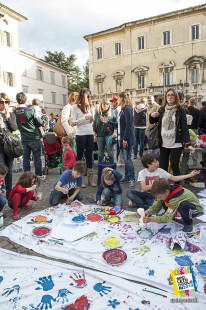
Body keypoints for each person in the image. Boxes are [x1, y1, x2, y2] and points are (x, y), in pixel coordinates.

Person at [127, 153, 200, 209]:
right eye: (155, 162)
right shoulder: (142, 172)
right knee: (129, 192)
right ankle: (144, 205)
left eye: (157, 161)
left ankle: (140, 204)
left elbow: (174, 178)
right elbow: (144, 188)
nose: (158, 163)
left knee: (158, 204)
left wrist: (189, 175)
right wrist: (159, 184)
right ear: (148, 164)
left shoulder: (160, 171)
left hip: (156, 196)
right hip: (145, 194)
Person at [150, 88, 194, 176]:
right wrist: (152, 115)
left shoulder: (180, 110)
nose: (170, 97)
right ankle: (164, 186)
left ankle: (177, 187)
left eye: (172, 95)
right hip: (163, 143)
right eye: (168, 95)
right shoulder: (162, 109)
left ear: (176, 97)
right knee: (163, 167)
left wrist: (189, 144)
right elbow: (153, 121)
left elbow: (185, 127)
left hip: (176, 143)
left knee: (174, 166)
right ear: (166, 97)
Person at [101, 92, 135, 187]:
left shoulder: (128, 109)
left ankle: (132, 178)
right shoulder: (123, 110)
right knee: (125, 158)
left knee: (128, 159)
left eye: (118, 99)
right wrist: (108, 122)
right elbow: (120, 125)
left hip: (126, 139)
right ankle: (127, 176)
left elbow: (129, 125)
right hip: (122, 138)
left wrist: (125, 139)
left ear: (122, 99)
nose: (117, 101)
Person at [14, 92, 45, 180]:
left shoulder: (14, 112)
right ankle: (39, 174)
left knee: (26, 158)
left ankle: (26, 176)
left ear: (17, 100)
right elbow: (39, 122)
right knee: (37, 157)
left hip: (23, 137)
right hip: (34, 137)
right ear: (25, 100)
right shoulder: (31, 110)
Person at [71, 88, 96, 187]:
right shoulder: (75, 107)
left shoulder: (90, 106)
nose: (89, 98)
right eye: (88, 96)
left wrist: (91, 119)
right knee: (80, 156)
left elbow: (91, 122)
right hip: (80, 134)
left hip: (89, 132)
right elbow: (72, 123)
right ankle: (79, 179)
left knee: (90, 155)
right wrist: (84, 118)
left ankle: (90, 179)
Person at [0, 93, 18, 198]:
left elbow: (14, 128)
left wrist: (7, 117)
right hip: (0, 146)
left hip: (10, 147)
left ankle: (9, 192)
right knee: (2, 169)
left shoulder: (11, 115)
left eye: (6, 102)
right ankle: (2, 190)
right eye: (1, 102)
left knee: (9, 170)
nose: (4, 104)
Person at [110, 96, 124, 167]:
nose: (111, 103)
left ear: (115, 102)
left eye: (112, 101)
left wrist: (115, 131)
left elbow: (117, 121)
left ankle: (120, 161)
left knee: (118, 146)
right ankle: (119, 160)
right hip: (115, 129)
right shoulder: (114, 109)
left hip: (117, 130)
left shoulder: (118, 110)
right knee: (117, 146)